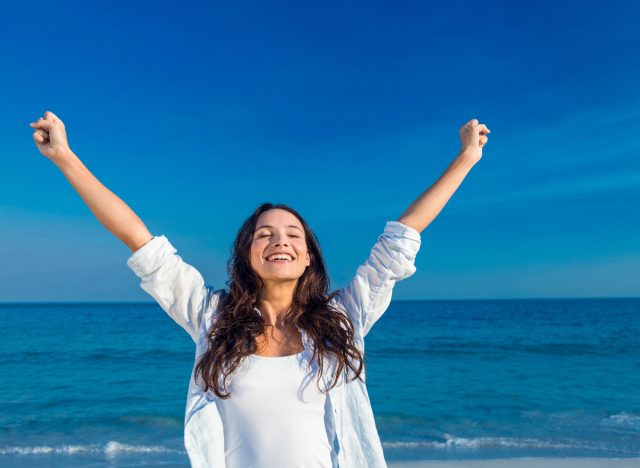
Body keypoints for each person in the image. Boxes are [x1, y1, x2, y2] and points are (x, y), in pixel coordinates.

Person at [29, 111, 490, 467]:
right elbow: (139, 240)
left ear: (309, 255)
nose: (279, 240)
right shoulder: (210, 317)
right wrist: (66, 159)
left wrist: (466, 158)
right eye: (264, 233)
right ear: (247, 253)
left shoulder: (344, 319)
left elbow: (402, 237)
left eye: (293, 234)